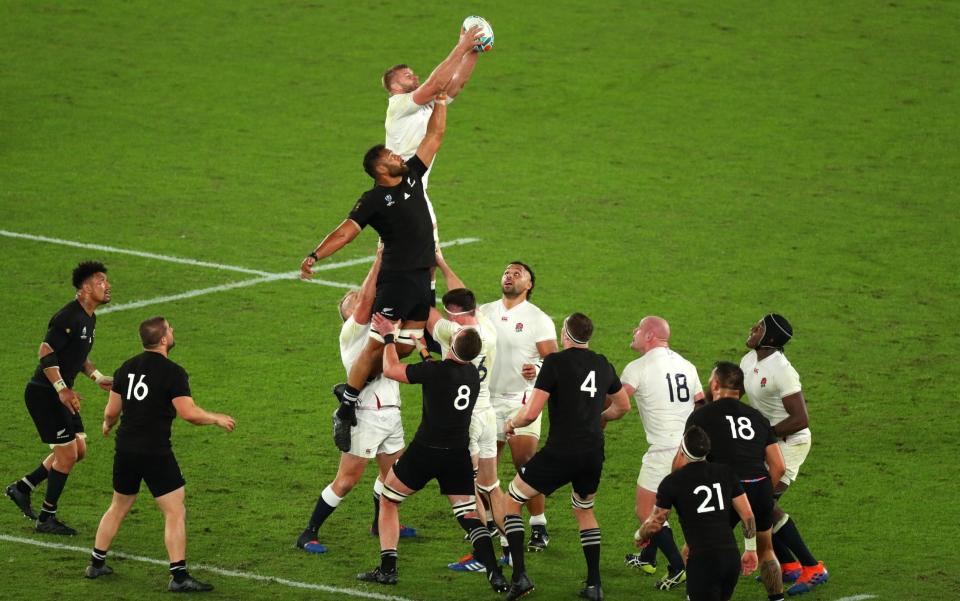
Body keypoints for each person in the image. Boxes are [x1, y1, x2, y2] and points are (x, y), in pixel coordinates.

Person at [299, 90, 451, 450]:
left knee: (409, 347)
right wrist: (316, 255)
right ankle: (348, 404)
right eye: (390, 156)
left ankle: (358, 383)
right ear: (380, 170)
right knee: (372, 345)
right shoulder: (372, 201)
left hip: (420, 277)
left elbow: (435, 137)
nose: (397, 155)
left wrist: (441, 103)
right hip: (397, 279)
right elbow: (346, 231)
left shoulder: (413, 174)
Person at [358, 312, 508, 593]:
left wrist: (390, 336)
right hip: (457, 456)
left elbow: (391, 369)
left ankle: (388, 569)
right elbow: (440, 373)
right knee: (469, 515)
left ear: (452, 344)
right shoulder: (472, 376)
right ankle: (495, 573)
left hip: (425, 452)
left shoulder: (436, 372)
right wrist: (422, 347)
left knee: (389, 500)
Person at [84, 316, 235, 592]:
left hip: (125, 449)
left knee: (118, 505)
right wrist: (215, 418)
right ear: (163, 339)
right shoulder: (173, 372)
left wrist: (107, 425)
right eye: (170, 329)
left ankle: (96, 563)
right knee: (175, 510)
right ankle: (179, 577)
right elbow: (188, 413)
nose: (173, 331)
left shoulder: (126, 367)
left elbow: (111, 412)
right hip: (154, 452)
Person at [501, 313, 631, 601]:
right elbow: (623, 406)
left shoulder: (555, 363)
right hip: (593, 452)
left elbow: (532, 412)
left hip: (560, 452)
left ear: (566, 335)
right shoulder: (602, 363)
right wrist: (599, 418)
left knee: (512, 500)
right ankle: (594, 584)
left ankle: (520, 577)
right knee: (584, 510)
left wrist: (511, 424)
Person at [295, 247, 414, 554]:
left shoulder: (382, 330)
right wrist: (378, 258)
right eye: (351, 303)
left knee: (394, 475)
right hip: (366, 415)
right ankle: (308, 532)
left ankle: (380, 524)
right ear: (346, 316)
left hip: (391, 413)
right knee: (346, 481)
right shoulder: (351, 333)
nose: (358, 302)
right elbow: (365, 300)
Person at [6, 261, 113, 535]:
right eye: (101, 281)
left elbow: (77, 355)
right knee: (66, 456)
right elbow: (46, 351)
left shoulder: (89, 317)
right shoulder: (69, 316)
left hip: (58, 393)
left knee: (79, 451)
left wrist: (97, 376)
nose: (107, 285)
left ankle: (23, 488)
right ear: (85, 288)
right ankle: (46, 518)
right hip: (45, 394)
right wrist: (62, 389)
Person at [425, 249, 503, 572]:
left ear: (455, 315)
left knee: (468, 490)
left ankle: (482, 557)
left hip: (466, 420)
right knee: (492, 485)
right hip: (488, 413)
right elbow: (461, 299)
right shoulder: (487, 327)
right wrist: (441, 262)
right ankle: (508, 548)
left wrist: (426, 274)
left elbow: (427, 313)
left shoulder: (451, 333)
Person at [685, 361, 787, 601]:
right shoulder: (757, 417)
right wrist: (761, 493)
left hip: (723, 491)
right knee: (766, 550)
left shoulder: (701, 416)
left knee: (695, 549)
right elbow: (779, 466)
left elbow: (686, 463)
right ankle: (778, 599)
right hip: (759, 487)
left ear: (715, 384)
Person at [741, 314, 828, 594]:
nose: (753, 329)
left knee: (762, 505)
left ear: (771, 338)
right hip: (770, 443)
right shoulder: (748, 361)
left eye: (760, 327)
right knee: (756, 505)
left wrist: (765, 435)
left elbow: (801, 418)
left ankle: (813, 567)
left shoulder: (782, 370)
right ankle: (788, 566)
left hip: (791, 443)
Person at [478, 262, 558, 554]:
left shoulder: (538, 319)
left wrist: (536, 367)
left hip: (520, 401)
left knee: (526, 465)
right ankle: (489, 523)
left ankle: (538, 524)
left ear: (529, 285)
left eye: (517, 274)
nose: (508, 276)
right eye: (506, 272)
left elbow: (554, 362)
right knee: (485, 469)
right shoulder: (484, 312)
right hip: (486, 400)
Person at [621, 316, 704, 590]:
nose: (633, 331)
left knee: (646, 510)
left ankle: (677, 566)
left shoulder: (638, 367)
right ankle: (647, 558)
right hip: (689, 450)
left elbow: (620, 401)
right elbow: (701, 405)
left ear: (649, 336)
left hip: (662, 452)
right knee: (665, 505)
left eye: (638, 328)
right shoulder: (687, 365)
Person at [638, 425, 758, 601]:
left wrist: (639, 535)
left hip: (703, 560)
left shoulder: (673, 482)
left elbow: (655, 523)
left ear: (682, 450)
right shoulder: (725, 472)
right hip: (730, 557)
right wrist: (751, 549)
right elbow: (747, 514)